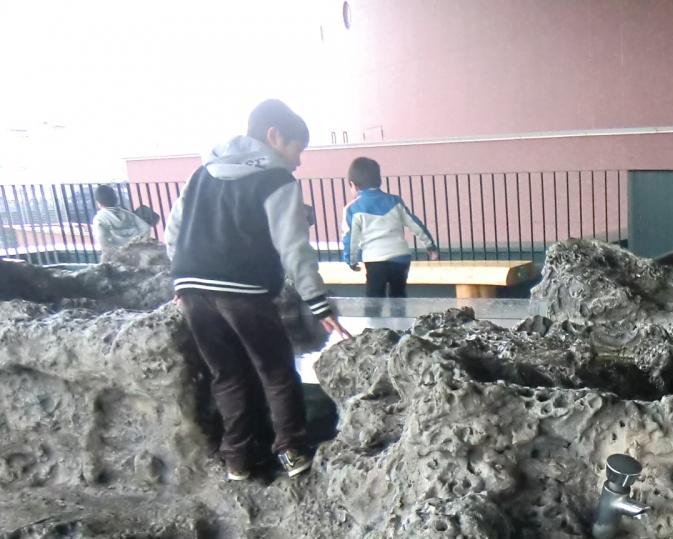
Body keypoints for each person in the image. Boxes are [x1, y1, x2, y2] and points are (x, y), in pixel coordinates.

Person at [165, 99, 350, 482]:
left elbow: (174, 232)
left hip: (193, 290)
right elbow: (293, 247)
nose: (298, 161)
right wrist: (319, 304)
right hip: (244, 289)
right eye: (297, 148)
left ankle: (238, 458)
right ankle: (292, 450)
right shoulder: (276, 180)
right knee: (276, 369)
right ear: (274, 136)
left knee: (227, 374)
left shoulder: (201, 174)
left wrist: (184, 278)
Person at [341, 156, 439, 299]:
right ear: (379, 181)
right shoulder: (395, 201)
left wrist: (351, 260)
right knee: (398, 296)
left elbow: (350, 238)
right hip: (400, 256)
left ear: (353, 185)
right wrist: (430, 246)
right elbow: (415, 224)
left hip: (375, 259)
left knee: (374, 299)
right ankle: (400, 313)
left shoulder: (352, 209)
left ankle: (375, 315)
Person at [91, 185, 150, 252]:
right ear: (116, 199)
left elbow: (101, 240)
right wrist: (138, 243)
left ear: (98, 203)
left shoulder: (99, 218)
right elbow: (146, 228)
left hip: (116, 255)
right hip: (135, 252)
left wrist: (115, 250)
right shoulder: (129, 214)